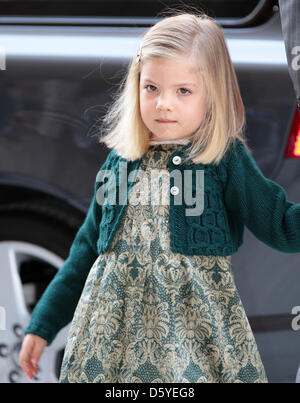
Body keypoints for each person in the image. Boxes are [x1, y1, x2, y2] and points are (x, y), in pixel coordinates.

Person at [19, 11, 300, 383]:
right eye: (151, 88)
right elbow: (86, 250)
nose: (163, 103)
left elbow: (279, 223)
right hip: (111, 341)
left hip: (194, 338)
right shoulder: (120, 162)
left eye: (183, 90)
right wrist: (43, 324)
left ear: (212, 94)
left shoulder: (221, 159)